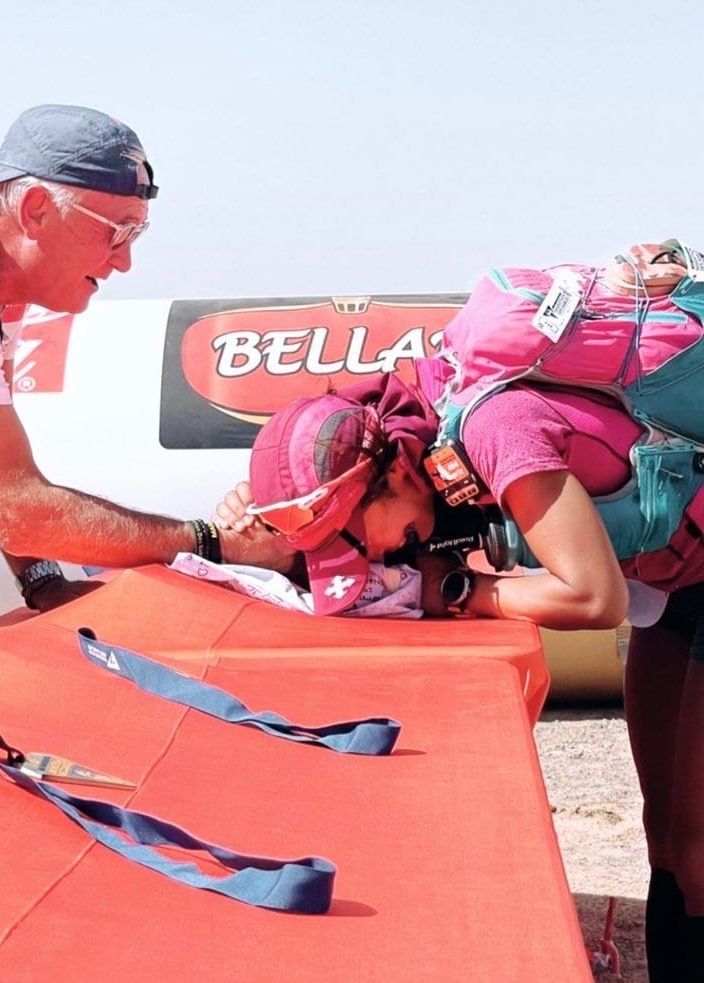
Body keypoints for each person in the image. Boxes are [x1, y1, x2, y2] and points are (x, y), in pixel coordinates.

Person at [214, 348, 704, 980]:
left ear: (400, 476)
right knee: (664, 837)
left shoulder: (495, 430)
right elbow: (320, 483)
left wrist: (459, 592)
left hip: (675, 578)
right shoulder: (408, 450)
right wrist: (243, 509)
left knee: (696, 857)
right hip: (677, 583)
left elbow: (594, 596)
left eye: (359, 542)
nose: (371, 559)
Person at [0, 104, 284, 690]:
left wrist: (42, 580)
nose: (126, 260)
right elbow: (19, 509)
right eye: (117, 230)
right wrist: (214, 544)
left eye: (138, 232)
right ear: (35, 209)